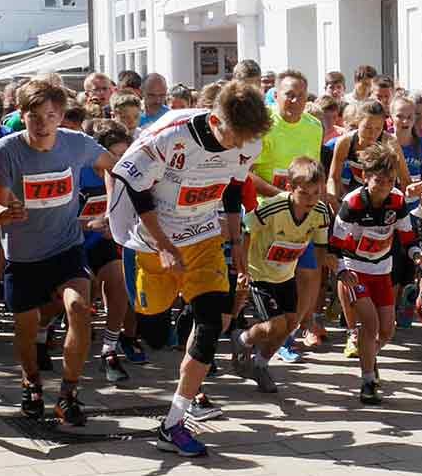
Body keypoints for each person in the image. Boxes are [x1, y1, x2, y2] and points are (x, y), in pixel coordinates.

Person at [109, 82, 272, 456]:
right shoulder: (172, 135)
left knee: (211, 324)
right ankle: (180, 314)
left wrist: (237, 243)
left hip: (203, 236)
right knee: (153, 333)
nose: (238, 146)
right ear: (215, 121)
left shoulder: (247, 140)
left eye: (245, 140)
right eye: (233, 137)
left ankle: (174, 422)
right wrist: (164, 245)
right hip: (153, 241)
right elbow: (136, 189)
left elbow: (233, 189)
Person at [0, 80, 118, 427]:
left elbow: (115, 166)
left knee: (79, 308)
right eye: (34, 116)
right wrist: (4, 213)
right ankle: (31, 383)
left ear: (60, 116)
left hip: (66, 247)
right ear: (21, 115)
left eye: (50, 115)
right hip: (23, 256)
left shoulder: (76, 143)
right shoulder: (6, 150)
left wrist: (112, 210)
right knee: (26, 329)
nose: (42, 124)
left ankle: (68, 393)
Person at [329, 145, 419, 404]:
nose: (384, 187)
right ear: (365, 177)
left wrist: (417, 254)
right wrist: (342, 271)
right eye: (379, 181)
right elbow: (334, 246)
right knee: (370, 325)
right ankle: (368, 381)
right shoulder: (353, 203)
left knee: (387, 331)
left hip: (382, 270)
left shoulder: (397, 200)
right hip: (355, 271)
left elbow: (407, 235)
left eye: (390, 181)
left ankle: (368, 356)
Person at [233, 156, 330, 388]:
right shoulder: (272, 207)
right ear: (290, 187)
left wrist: (324, 273)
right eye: (304, 193)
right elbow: (246, 231)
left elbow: (320, 248)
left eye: (316, 193)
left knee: (290, 324)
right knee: (274, 326)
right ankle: (243, 339)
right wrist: (243, 270)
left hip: (286, 274)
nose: (310, 199)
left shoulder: (320, 212)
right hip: (260, 273)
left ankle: (261, 365)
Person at [80, 120, 138, 381]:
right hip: (71, 243)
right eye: (114, 155)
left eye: (124, 155)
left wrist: (113, 226)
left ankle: (109, 348)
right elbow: (56, 218)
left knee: (119, 283)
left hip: (102, 242)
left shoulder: (126, 176)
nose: (119, 161)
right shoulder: (79, 173)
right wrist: (88, 224)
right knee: (82, 294)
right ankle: (43, 335)